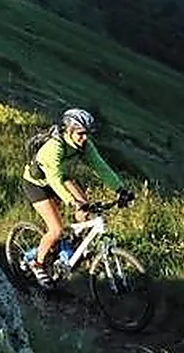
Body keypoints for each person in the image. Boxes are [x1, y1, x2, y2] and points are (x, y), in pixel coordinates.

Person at [21, 107, 129, 289]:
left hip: (62, 179)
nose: (84, 137)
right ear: (69, 130)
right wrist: (71, 201)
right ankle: (37, 264)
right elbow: (54, 180)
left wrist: (120, 189)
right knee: (56, 229)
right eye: (80, 133)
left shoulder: (85, 145)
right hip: (38, 184)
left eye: (87, 133)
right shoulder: (54, 147)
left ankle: (68, 247)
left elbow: (101, 168)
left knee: (86, 212)